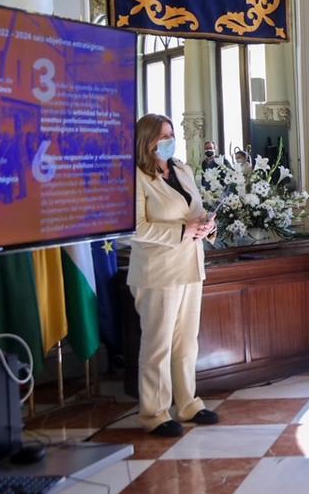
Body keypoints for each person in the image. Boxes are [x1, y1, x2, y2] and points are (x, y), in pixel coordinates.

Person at [130, 114, 219, 437]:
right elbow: (135, 229)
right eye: (164, 135)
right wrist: (183, 230)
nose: (170, 140)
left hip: (191, 265)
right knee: (158, 344)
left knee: (186, 342)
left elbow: (194, 211)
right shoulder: (135, 177)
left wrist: (208, 225)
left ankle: (188, 403)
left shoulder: (182, 169)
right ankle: (154, 412)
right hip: (157, 272)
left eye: (171, 134)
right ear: (147, 140)